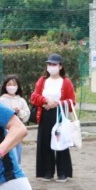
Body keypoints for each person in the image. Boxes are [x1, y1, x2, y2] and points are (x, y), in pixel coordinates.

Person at [30, 54, 76, 182]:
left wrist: (57, 103)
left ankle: (63, 172)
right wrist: (45, 101)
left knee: (61, 141)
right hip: (44, 113)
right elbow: (34, 97)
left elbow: (72, 101)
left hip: (59, 114)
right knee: (45, 142)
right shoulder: (42, 80)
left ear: (60, 66)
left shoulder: (66, 82)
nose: (52, 67)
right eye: (49, 64)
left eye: (54, 64)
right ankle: (47, 172)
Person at [0, 74, 30, 163]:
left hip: (18, 133)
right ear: (5, 86)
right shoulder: (1, 100)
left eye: (14, 84)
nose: (12, 86)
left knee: (17, 154)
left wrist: (19, 112)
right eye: (9, 84)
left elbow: (26, 115)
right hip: (5, 133)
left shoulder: (21, 100)